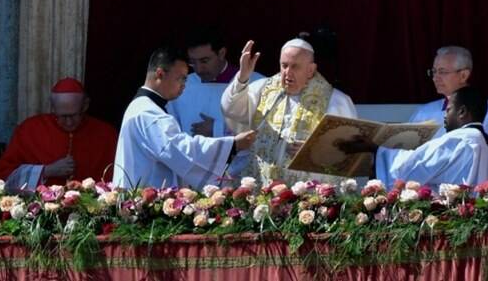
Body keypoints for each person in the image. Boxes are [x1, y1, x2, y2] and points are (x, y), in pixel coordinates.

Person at [112, 47, 256, 189]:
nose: (184, 86)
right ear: (160, 74)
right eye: (181, 79)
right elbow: (182, 150)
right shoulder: (147, 113)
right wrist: (233, 145)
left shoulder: (142, 106)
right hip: (144, 199)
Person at [221, 38, 357, 185]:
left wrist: (315, 151)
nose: (287, 72)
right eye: (284, 65)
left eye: (295, 67)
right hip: (260, 185)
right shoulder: (262, 89)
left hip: (306, 194)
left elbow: (350, 152)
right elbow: (231, 110)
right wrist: (242, 77)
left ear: (311, 70)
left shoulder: (335, 101)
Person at [341, 87, 488, 192]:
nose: (445, 116)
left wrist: (376, 149)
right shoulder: (487, 149)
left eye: (448, 110)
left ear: (461, 112)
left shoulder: (458, 139)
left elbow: (414, 165)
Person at [166, 31, 263, 178]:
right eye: (193, 62)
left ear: (222, 53)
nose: (198, 69)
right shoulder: (182, 85)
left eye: (204, 61)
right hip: (193, 176)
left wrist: (218, 128)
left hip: (243, 177)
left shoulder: (256, 84)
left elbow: (266, 133)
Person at [0, 78, 118, 190]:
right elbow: (2, 176)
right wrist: (45, 171)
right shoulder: (29, 130)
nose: (69, 122)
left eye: (74, 115)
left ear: (85, 106)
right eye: (62, 116)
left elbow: (118, 180)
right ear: (53, 108)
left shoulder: (106, 134)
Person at [409, 46, 488, 172]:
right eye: (434, 71)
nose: (435, 78)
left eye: (442, 72)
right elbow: (411, 152)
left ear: (464, 75)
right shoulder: (424, 112)